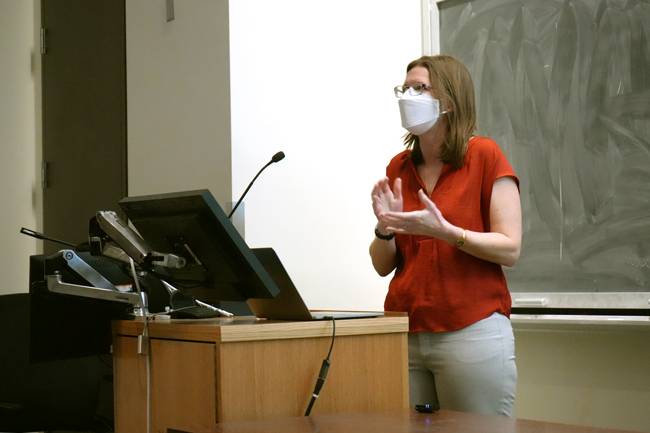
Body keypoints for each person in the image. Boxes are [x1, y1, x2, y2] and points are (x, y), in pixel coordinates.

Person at [369, 55, 521, 417]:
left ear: (449, 101)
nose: (408, 96)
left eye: (419, 88)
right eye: (404, 89)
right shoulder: (399, 167)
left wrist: (448, 233)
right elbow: (381, 265)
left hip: (471, 331)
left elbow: (510, 248)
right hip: (406, 330)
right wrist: (383, 229)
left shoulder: (484, 155)